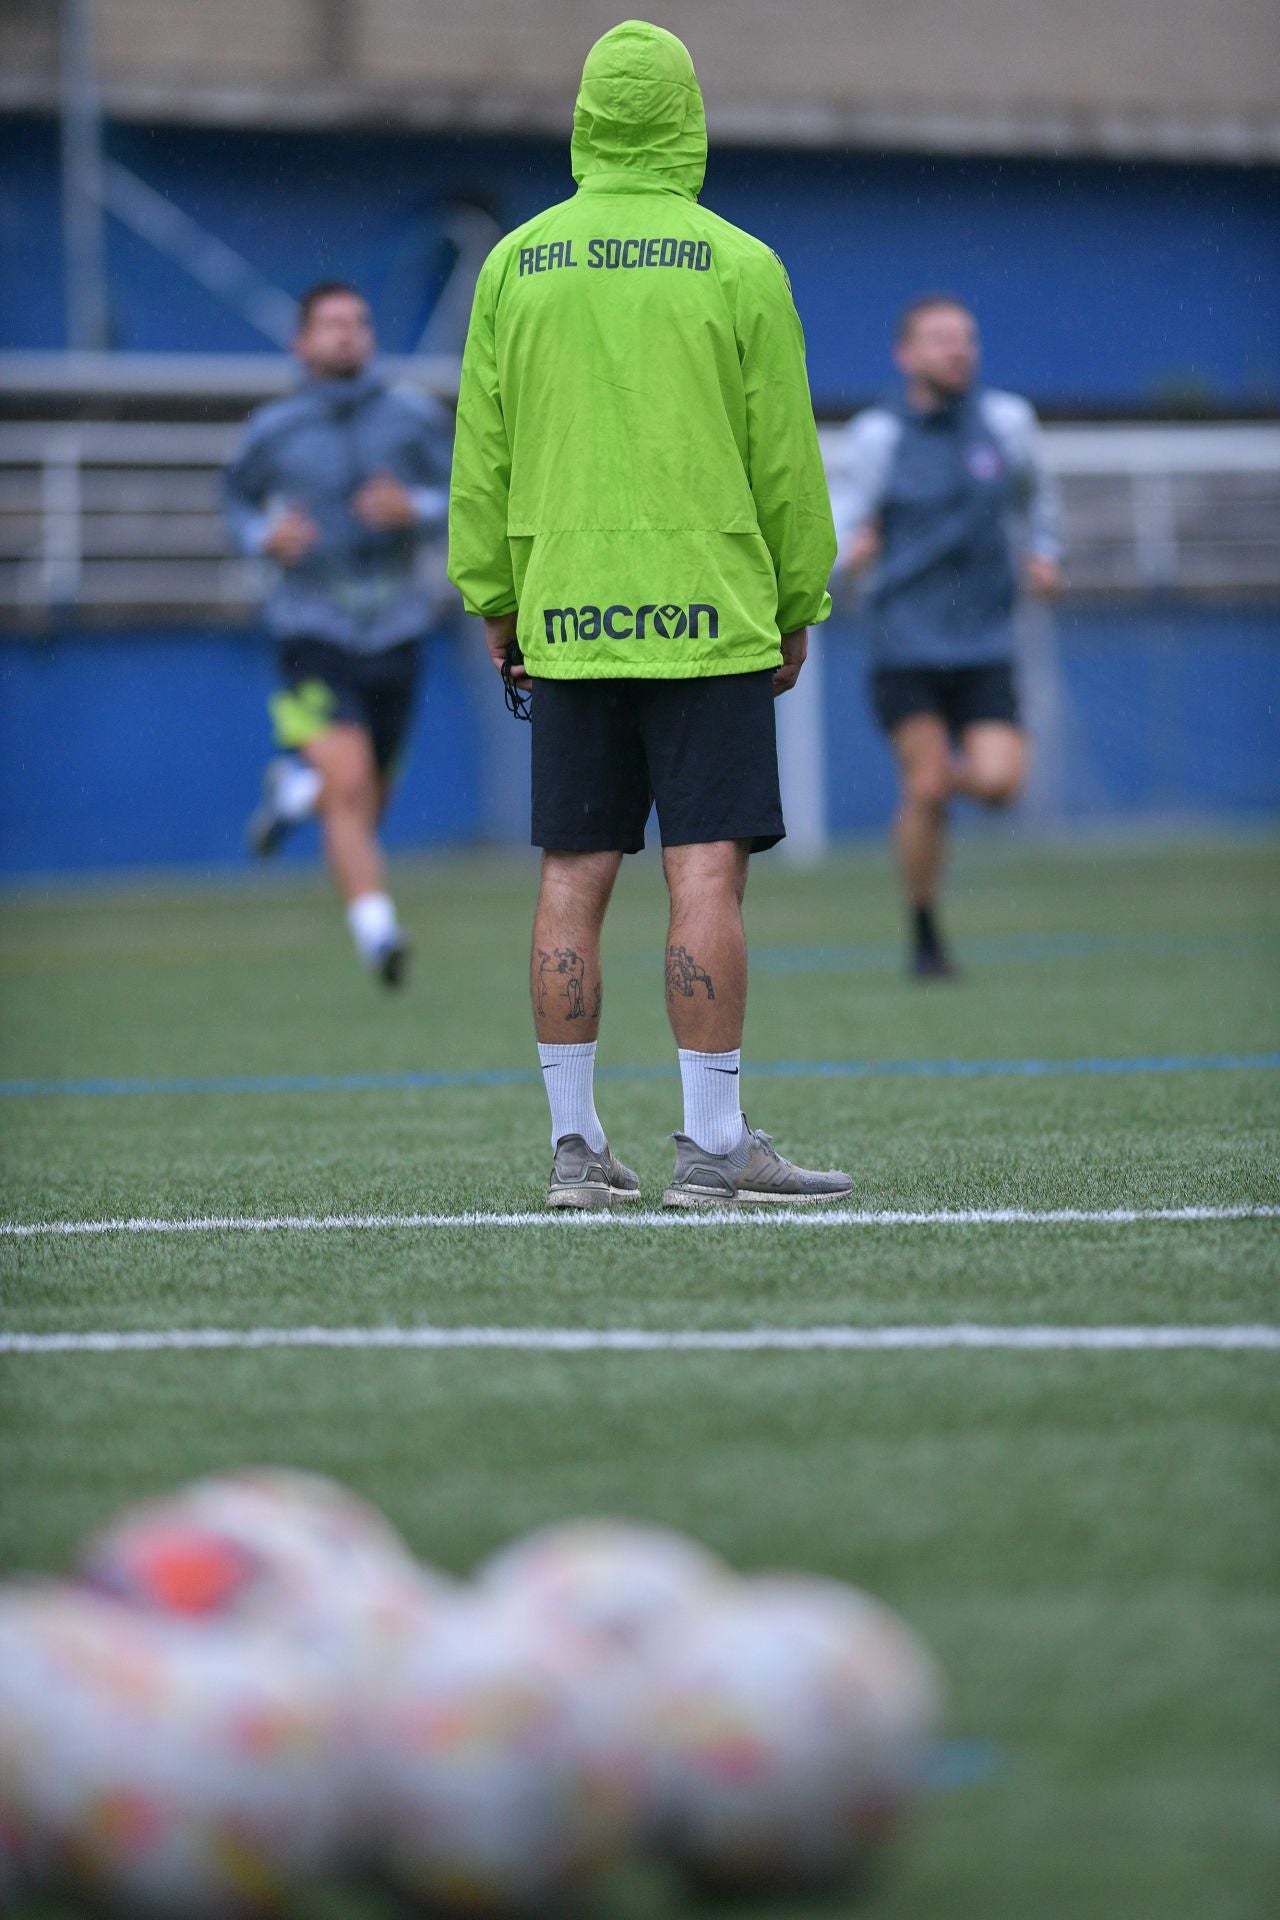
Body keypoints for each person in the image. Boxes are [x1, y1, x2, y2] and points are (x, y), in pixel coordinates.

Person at [448, 19, 853, 1211]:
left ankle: (575, 1152)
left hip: (567, 610)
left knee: (571, 877)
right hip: (708, 611)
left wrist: (494, 594)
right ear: (684, 116)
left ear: (585, 118)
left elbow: (481, 452)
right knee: (704, 872)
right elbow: (783, 457)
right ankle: (711, 1145)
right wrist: (796, 598)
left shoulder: (514, 264)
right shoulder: (739, 263)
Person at [224, 281, 453, 986]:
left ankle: (297, 792)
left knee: (365, 800)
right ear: (302, 343)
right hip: (311, 627)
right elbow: (236, 502)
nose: (347, 333)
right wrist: (264, 536)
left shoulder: (412, 416)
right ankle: (379, 935)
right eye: (330, 324)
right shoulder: (273, 430)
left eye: (358, 321)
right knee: (348, 781)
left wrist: (413, 508)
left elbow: (468, 493)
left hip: (397, 626)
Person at [831, 295, 1064, 977]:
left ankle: (927, 801)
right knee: (928, 786)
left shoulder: (1008, 423)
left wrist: (1046, 552)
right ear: (906, 355)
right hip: (904, 644)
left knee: (998, 784)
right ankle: (925, 932)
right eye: (940, 339)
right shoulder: (878, 436)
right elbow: (842, 520)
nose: (957, 350)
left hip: (986, 642)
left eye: (966, 338)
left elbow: (1039, 497)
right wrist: (850, 553)